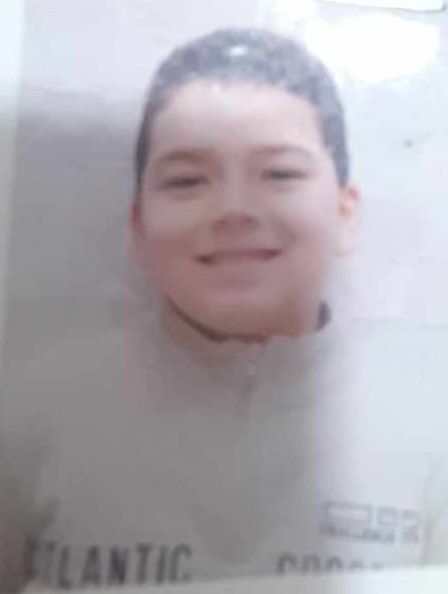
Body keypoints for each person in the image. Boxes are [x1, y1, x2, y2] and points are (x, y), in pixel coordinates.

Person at [1, 27, 447, 592]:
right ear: (138, 224)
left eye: (280, 174)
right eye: (187, 180)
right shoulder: (29, 412)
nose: (234, 209)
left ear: (344, 213)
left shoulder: (432, 426)